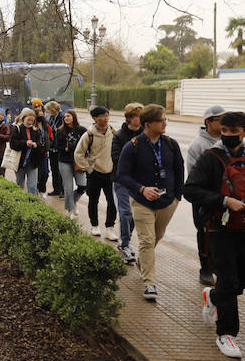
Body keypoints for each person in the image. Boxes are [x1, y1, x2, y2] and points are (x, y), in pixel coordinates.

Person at [183, 111, 245, 359]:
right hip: (218, 228)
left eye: (234, 133)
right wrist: (224, 200)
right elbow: (190, 189)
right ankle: (227, 334)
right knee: (228, 280)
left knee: (244, 279)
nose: (228, 137)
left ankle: (212, 296)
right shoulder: (211, 157)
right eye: (224, 132)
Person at [115, 104, 185, 301]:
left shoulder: (171, 144)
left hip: (167, 202)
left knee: (157, 236)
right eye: (161, 120)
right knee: (146, 240)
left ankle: (143, 261)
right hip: (141, 202)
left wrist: (177, 197)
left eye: (165, 119)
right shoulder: (133, 146)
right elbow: (122, 175)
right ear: (148, 124)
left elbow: (179, 170)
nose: (165, 123)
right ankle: (150, 283)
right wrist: (142, 189)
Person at [186, 104, 226, 287]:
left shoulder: (229, 140)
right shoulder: (198, 145)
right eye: (220, 119)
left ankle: (221, 267)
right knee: (204, 233)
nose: (224, 122)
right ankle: (205, 268)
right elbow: (194, 177)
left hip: (226, 198)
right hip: (204, 198)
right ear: (208, 122)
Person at [73, 105, 118, 239]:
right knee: (93, 200)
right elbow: (78, 154)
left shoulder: (114, 133)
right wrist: (88, 169)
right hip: (94, 173)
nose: (105, 119)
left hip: (110, 173)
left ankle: (110, 228)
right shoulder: (89, 134)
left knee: (112, 201)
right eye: (102, 116)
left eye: (107, 115)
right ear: (94, 118)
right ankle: (94, 226)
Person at [111, 102, 144, 265]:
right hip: (122, 181)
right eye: (139, 117)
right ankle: (124, 245)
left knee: (135, 216)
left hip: (139, 183)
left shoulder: (145, 134)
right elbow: (116, 159)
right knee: (125, 213)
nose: (142, 120)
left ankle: (125, 241)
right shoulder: (119, 136)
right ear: (130, 118)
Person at [54, 108, 88, 221]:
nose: (66, 118)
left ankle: (73, 201)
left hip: (78, 162)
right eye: (65, 116)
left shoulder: (82, 130)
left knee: (83, 185)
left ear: (74, 117)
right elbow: (58, 147)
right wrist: (69, 148)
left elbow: (86, 145)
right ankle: (70, 210)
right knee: (68, 189)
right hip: (64, 161)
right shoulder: (60, 130)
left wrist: (70, 148)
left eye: (68, 116)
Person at [10, 107, 47, 197]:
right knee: (19, 185)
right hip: (20, 161)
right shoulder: (16, 128)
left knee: (33, 186)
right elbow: (13, 144)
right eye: (28, 120)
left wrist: (36, 145)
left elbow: (41, 146)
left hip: (33, 162)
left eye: (32, 120)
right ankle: (19, 204)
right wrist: (25, 143)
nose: (30, 122)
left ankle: (32, 206)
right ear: (23, 118)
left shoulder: (36, 130)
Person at [43, 100, 66, 197]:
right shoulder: (50, 117)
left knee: (61, 171)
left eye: (47, 110)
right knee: (54, 169)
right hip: (52, 147)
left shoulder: (62, 117)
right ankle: (56, 189)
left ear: (52, 110)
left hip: (60, 147)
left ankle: (63, 191)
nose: (46, 112)